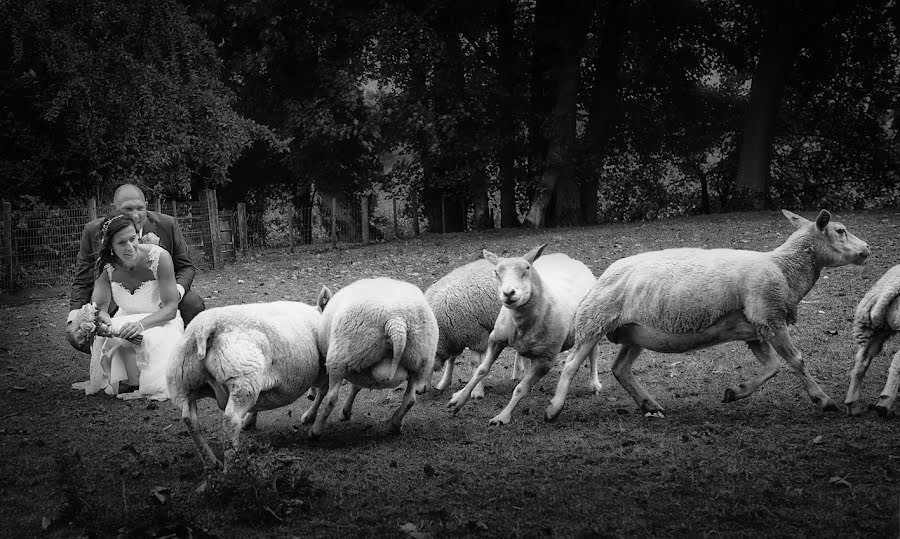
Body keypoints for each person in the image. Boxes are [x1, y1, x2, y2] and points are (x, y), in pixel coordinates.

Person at [66, 184, 204, 352]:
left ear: (146, 204)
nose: (135, 215)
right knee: (90, 328)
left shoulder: (167, 224)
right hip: (118, 301)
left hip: (161, 295)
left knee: (193, 303)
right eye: (128, 209)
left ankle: (190, 349)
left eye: (140, 208)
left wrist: (176, 291)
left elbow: (186, 267)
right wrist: (75, 316)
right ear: (113, 208)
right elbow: (82, 279)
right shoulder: (93, 231)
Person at [71, 210, 184, 399]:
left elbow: (171, 309)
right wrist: (105, 324)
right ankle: (127, 380)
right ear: (110, 246)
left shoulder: (159, 258)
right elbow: (100, 309)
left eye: (133, 239)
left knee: (147, 339)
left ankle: (138, 381)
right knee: (116, 336)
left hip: (160, 321)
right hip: (124, 320)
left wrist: (140, 325)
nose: (130, 247)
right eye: (121, 243)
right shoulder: (106, 266)